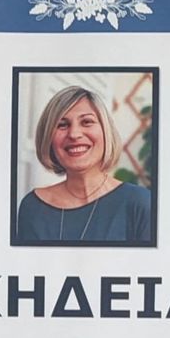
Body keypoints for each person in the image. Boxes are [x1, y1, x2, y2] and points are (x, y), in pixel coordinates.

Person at [17, 85, 151, 244]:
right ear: (49, 139)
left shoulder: (140, 203)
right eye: (62, 125)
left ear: (106, 132)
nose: (74, 134)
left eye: (87, 122)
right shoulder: (33, 207)